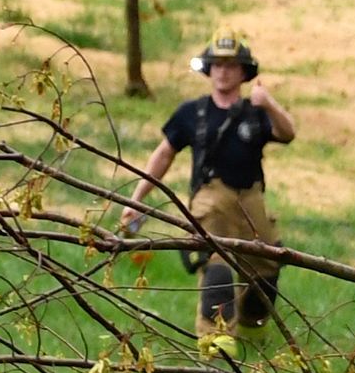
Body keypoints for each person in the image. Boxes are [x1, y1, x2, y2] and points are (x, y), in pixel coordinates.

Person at [123, 34, 294, 343]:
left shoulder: (257, 112)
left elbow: (288, 132)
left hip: (252, 198)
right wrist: (136, 200)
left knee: (267, 271)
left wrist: (268, 103)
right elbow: (163, 155)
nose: (223, 71)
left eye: (230, 65)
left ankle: (250, 325)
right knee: (217, 266)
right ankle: (215, 342)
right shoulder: (192, 113)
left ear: (244, 72)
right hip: (211, 198)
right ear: (208, 70)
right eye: (216, 65)